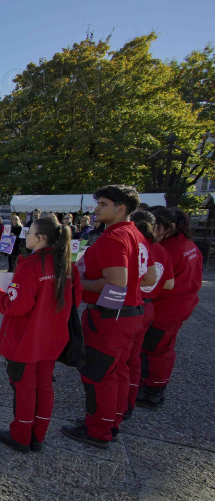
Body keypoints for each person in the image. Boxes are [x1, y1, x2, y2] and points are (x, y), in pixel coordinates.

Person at [62, 185, 154, 448]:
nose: (96, 209)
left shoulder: (114, 238)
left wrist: (77, 280)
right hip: (132, 313)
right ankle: (111, 421)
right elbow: (148, 278)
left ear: (120, 208)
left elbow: (116, 283)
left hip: (111, 316)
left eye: (103, 204)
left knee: (97, 373)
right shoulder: (137, 234)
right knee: (117, 371)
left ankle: (98, 430)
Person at [0, 217, 80, 452]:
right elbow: (75, 301)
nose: (25, 236)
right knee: (44, 387)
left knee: (24, 388)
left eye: (29, 232)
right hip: (53, 338)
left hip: (26, 340)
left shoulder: (30, 265)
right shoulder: (68, 266)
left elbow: (15, 306)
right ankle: (37, 435)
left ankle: (20, 435)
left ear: (40, 238)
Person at [136, 206, 202, 409]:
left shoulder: (169, 249)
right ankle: (152, 387)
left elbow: (153, 281)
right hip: (181, 304)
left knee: (155, 350)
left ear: (170, 227)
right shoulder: (188, 244)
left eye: (156, 226)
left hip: (166, 308)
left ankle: (152, 391)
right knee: (162, 348)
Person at [125, 211, 174, 418]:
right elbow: (169, 284)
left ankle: (118, 406)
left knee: (120, 360)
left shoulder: (134, 247)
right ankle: (129, 401)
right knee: (135, 358)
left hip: (130, 306)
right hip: (149, 306)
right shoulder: (162, 250)